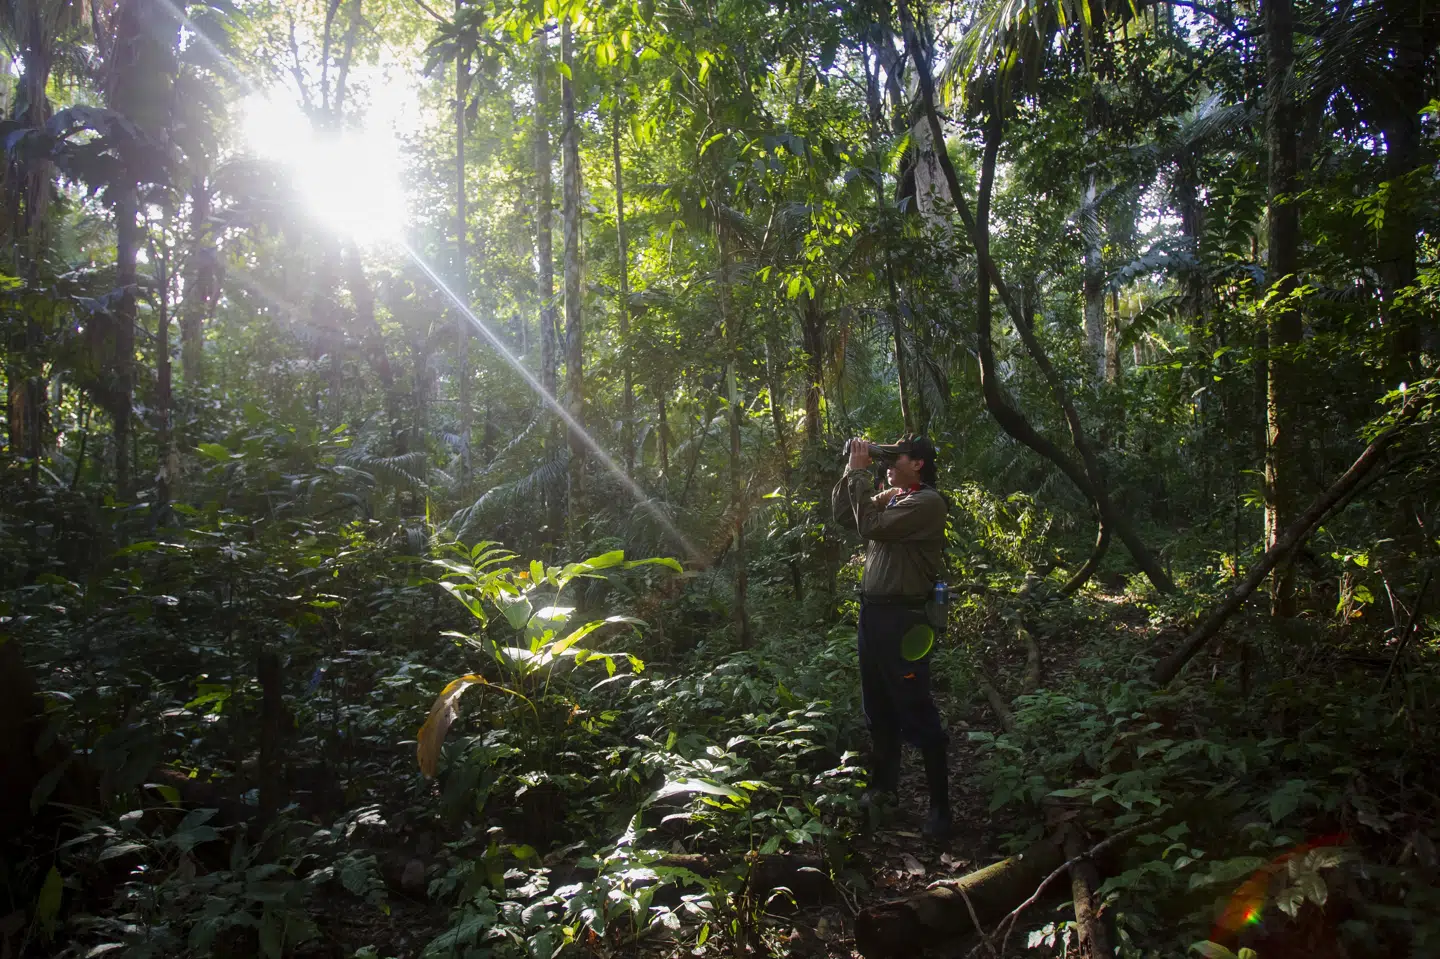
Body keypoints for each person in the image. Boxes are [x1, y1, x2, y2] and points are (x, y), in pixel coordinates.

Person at [831, 434, 950, 840]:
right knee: (877, 707)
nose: (887, 462)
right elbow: (847, 518)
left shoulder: (926, 502)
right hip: (874, 615)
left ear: (917, 463)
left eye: (895, 455)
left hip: (905, 619)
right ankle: (883, 789)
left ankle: (941, 808)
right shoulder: (895, 496)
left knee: (915, 708)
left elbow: (869, 525)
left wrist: (862, 475)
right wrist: (852, 472)